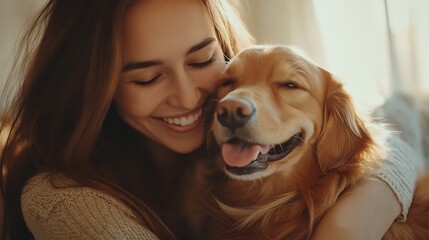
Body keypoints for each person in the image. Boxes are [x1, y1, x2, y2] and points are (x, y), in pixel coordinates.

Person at [0, 0, 416, 239]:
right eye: (147, 78)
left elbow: (383, 138)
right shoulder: (64, 201)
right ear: (94, 89)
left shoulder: (233, 142)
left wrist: (360, 211)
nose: (190, 99)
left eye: (203, 60)